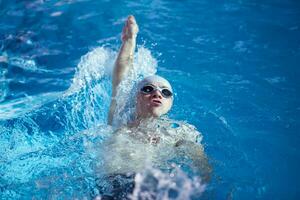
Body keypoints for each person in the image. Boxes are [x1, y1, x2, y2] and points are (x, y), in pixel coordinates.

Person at [98, 15, 211, 199]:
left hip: (154, 187)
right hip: (114, 186)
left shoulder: (181, 132)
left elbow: (202, 169)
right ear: (136, 97)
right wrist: (129, 40)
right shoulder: (121, 121)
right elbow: (120, 80)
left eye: (165, 92)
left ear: (170, 102)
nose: (157, 94)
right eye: (148, 89)